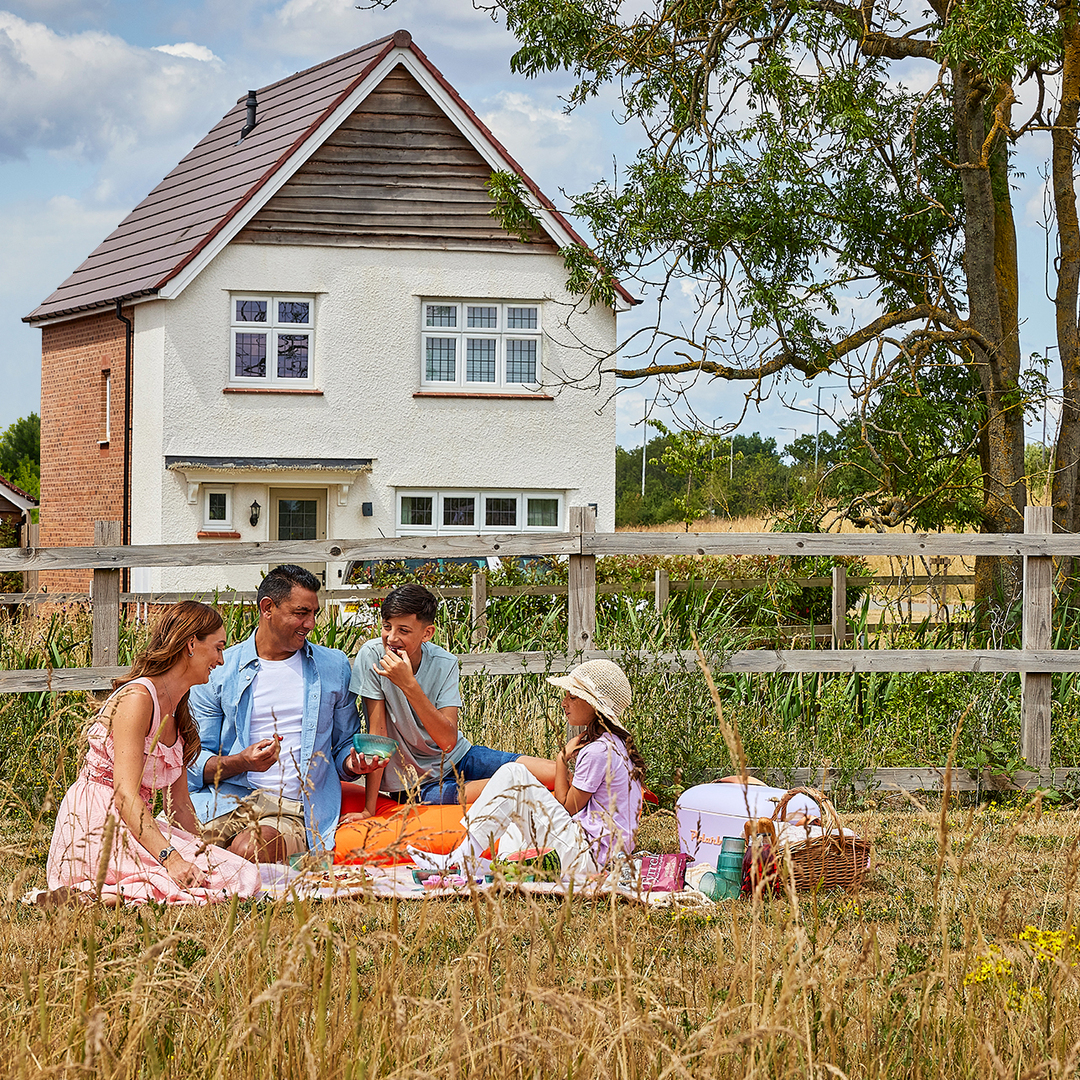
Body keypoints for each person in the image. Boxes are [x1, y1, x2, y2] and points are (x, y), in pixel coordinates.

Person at [45, 601, 261, 905]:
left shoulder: (178, 711)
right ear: (190, 644)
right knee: (192, 880)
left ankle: (104, 894)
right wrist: (171, 858)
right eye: (218, 648)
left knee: (237, 873)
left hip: (135, 821)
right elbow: (124, 795)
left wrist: (201, 856)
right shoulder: (138, 698)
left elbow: (181, 805)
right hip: (98, 823)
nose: (221, 660)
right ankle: (90, 891)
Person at [188, 564, 373, 862]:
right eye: (301, 613)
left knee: (250, 848)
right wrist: (240, 762)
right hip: (223, 801)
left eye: (314, 613)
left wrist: (353, 762)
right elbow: (194, 760)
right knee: (155, 842)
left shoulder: (333, 667)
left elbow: (342, 748)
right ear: (267, 608)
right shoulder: (220, 670)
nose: (311, 623)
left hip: (292, 808)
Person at [409, 659, 645, 881]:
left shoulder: (597, 751)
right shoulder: (615, 744)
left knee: (514, 775)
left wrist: (561, 760)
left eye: (572, 697)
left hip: (590, 857)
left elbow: (567, 807)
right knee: (515, 813)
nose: (564, 703)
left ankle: (462, 857)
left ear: (594, 705)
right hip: (601, 854)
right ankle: (492, 865)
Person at [349, 583, 555, 814]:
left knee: (556, 774)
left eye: (404, 630)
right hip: (414, 784)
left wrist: (409, 685)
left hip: (458, 758)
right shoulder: (372, 656)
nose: (392, 638)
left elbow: (447, 742)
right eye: (387, 627)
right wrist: (369, 809)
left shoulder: (444, 662)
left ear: (427, 633)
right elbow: (379, 735)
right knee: (518, 785)